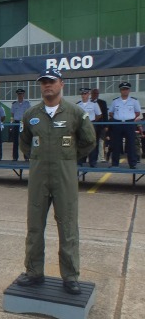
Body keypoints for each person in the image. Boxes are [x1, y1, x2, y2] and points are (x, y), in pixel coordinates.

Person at [17, 68, 96, 295]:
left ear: (61, 84)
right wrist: (38, 159)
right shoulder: (31, 114)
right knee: (34, 226)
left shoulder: (75, 113)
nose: (46, 86)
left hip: (64, 176)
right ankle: (33, 272)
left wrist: (68, 157)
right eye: (43, 82)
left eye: (51, 81)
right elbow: (24, 143)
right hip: (39, 177)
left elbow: (89, 140)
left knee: (68, 226)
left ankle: (70, 277)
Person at [109, 82, 141, 169]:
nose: (125, 91)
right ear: (120, 90)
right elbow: (111, 112)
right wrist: (117, 118)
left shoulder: (134, 101)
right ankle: (115, 164)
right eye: (123, 89)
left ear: (129, 90)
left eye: (126, 89)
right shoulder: (115, 101)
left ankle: (132, 164)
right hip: (118, 123)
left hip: (129, 123)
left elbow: (138, 112)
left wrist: (130, 117)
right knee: (116, 144)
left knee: (131, 143)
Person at [76, 88, 102, 167]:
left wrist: (91, 122)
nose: (84, 96)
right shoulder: (78, 104)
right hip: (81, 125)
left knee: (92, 143)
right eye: (82, 94)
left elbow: (99, 115)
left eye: (85, 94)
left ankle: (93, 162)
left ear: (88, 94)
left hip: (91, 124)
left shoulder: (94, 104)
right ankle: (79, 162)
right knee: (80, 143)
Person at [10, 89, 30, 161]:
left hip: (24, 123)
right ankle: (15, 157)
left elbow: (29, 113)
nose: (20, 95)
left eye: (21, 94)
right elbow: (12, 114)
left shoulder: (27, 103)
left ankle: (26, 157)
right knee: (15, 141)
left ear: (23, 95)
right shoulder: (14, 104)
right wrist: (11, 124)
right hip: (16, 122)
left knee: (25, 140)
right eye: (18, 94)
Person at [90, 88, 108, 162]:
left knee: (100, 142)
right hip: (89, 125)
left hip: (100, 125)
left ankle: (101, 157)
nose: (95, 95)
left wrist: (106, 125)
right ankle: (91, 158)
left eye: (97, 93)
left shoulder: (102, 102)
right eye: (94, 93)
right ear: (91, 94)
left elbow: (105, 114)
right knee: (90, 141)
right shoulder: (87, 102)